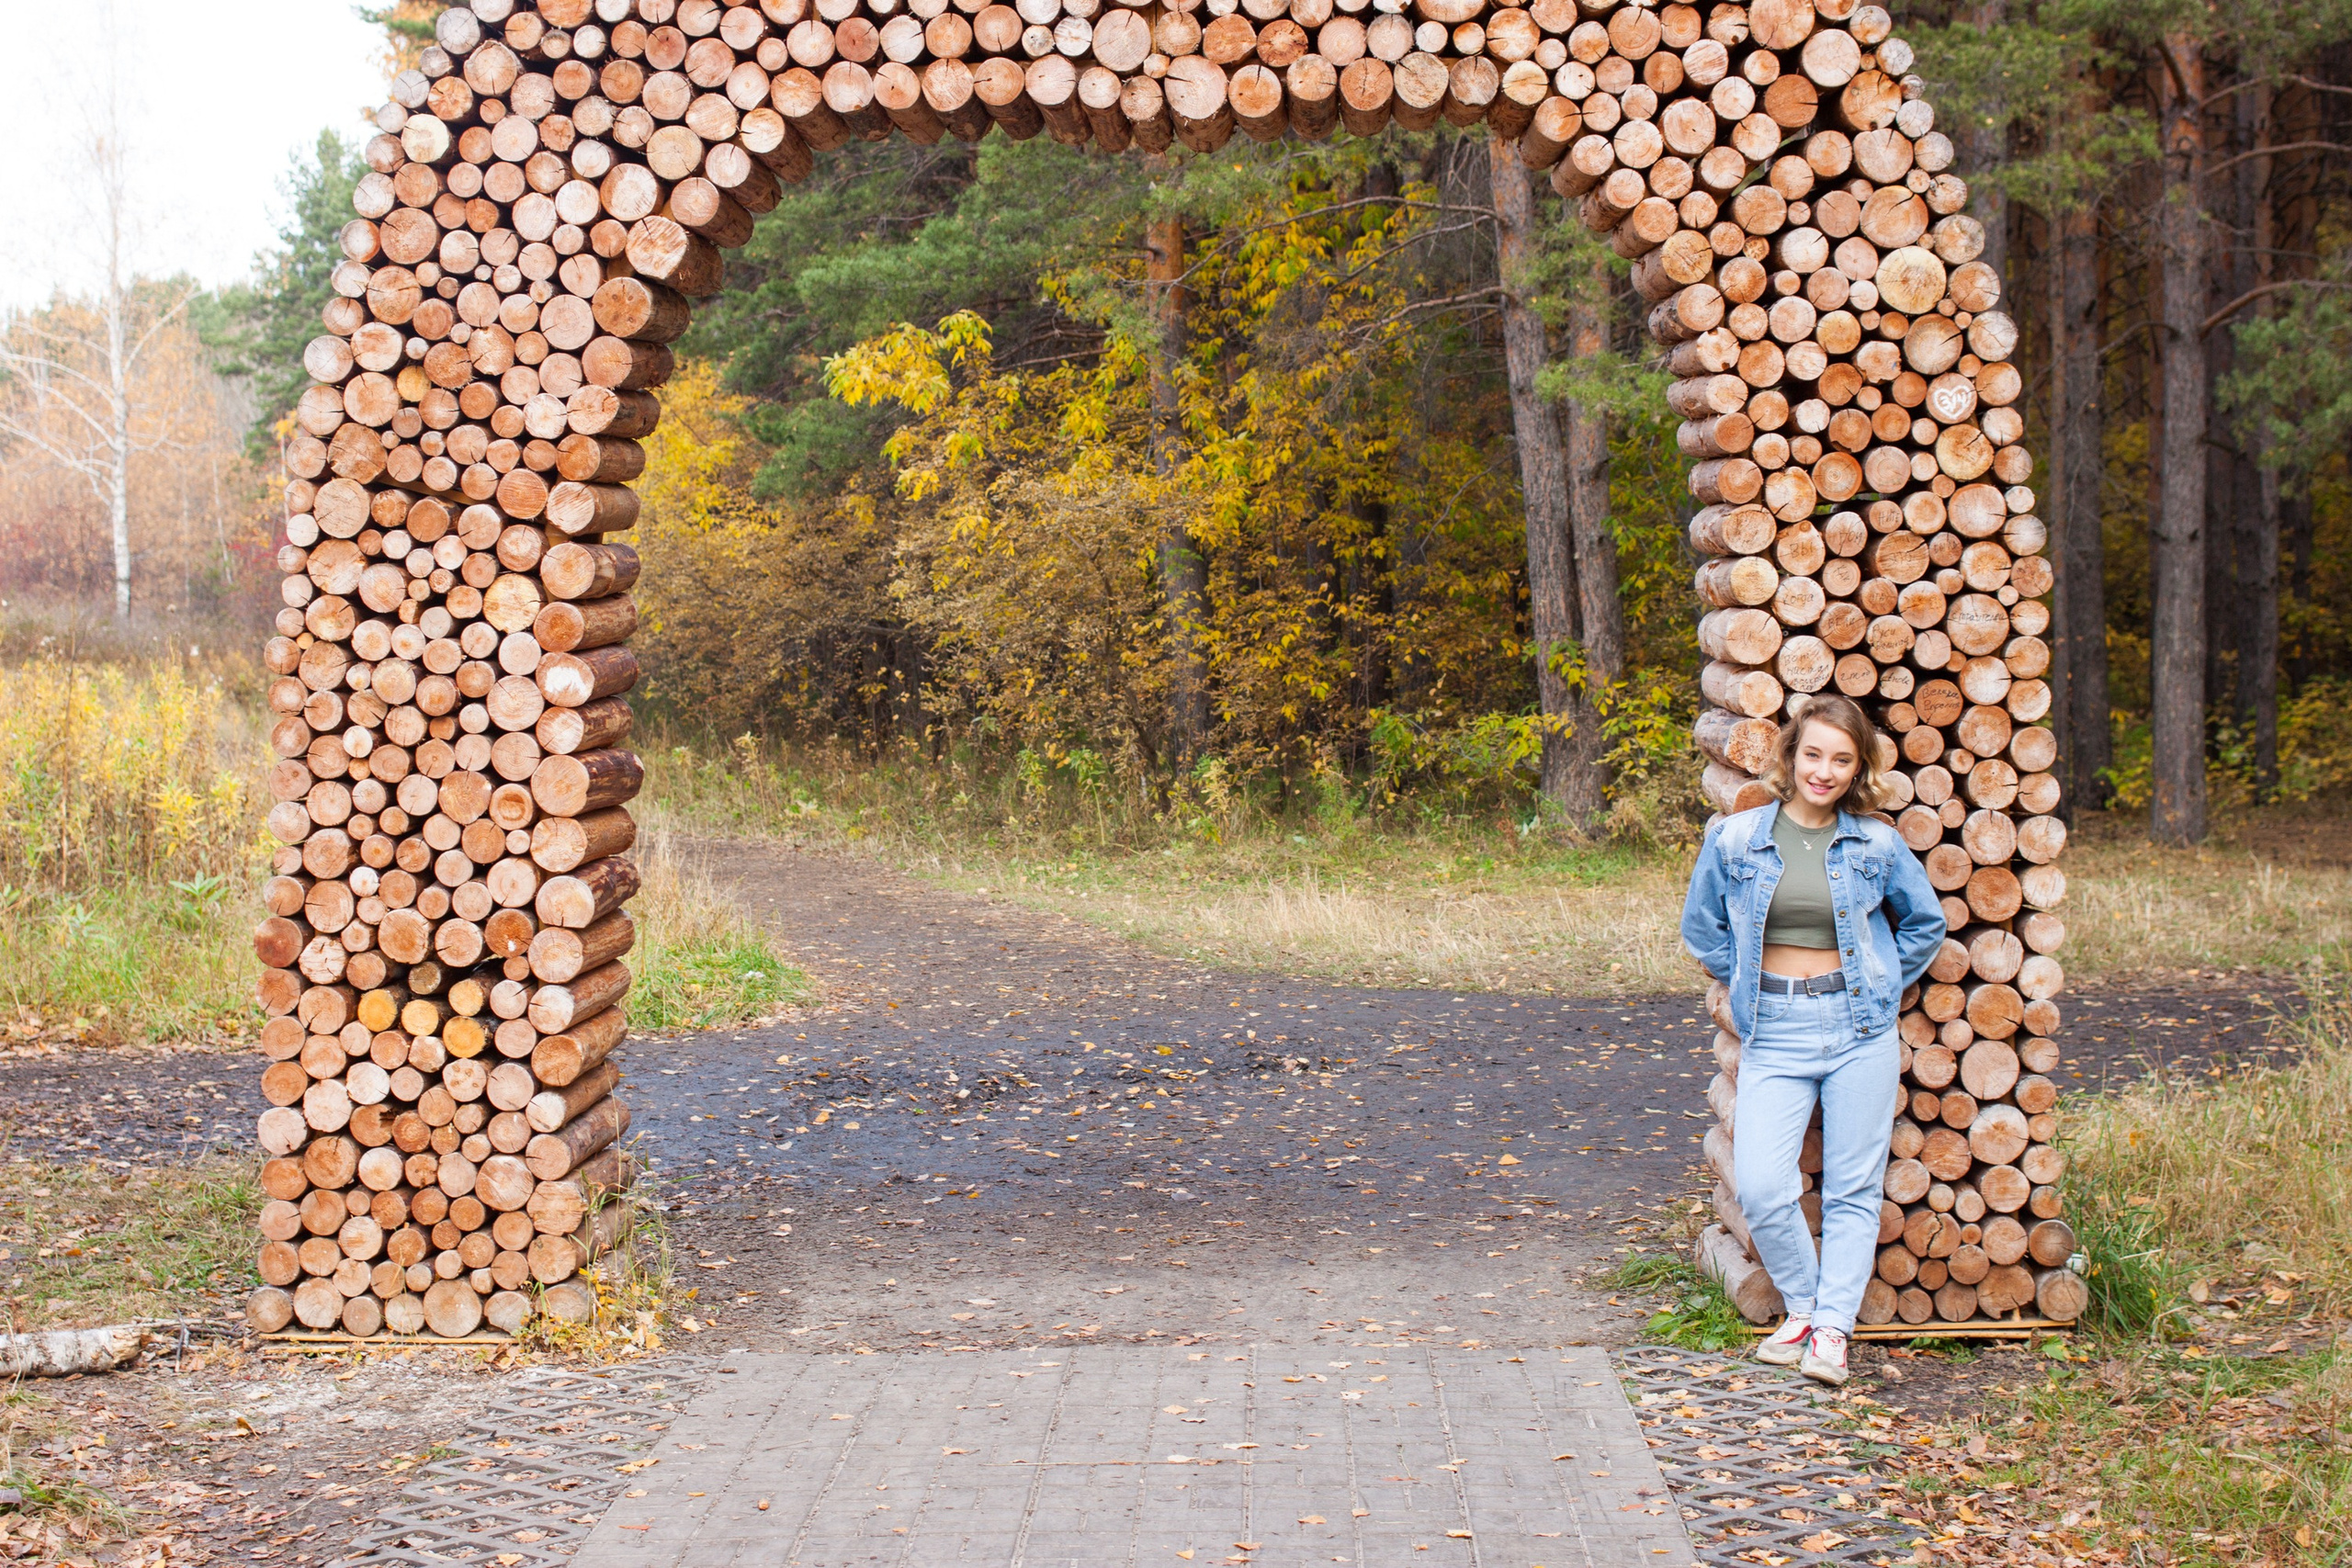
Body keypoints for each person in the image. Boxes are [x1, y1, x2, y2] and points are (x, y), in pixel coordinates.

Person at [1679, 694, 1945, 1384]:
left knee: (1854, 1188)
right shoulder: (1737, 839)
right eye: (1814, 754)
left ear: (1858, 769)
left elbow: (1925, 923)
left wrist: (1881, 982)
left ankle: (1831, 1331)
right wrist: (1747, 980)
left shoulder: (1876, 844)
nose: (1824, 771)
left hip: (1859, 1029)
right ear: (1792, 755)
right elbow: (1701, 926)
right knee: (1764, 1184)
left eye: (1842, 759)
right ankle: (1803, 1306)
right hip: (1775, 1029)